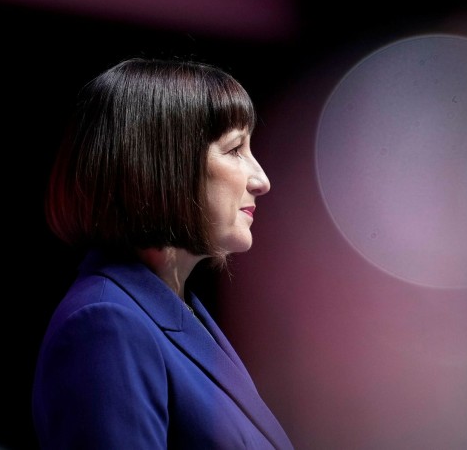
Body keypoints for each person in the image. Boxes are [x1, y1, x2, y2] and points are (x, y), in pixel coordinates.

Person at [32, 57, 294, 449]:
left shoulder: (170, 311)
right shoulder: (107, 325)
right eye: (236, 148)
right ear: (161, 164)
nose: (261, 179)